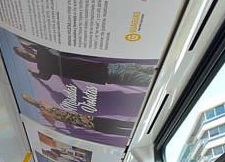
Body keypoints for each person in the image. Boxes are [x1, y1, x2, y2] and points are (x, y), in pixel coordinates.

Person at [13, 43, 154, 87]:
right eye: (23, 54)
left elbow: (43, 76)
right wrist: (32, 71)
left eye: (23, 53)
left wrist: (32, 72)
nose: (26, 55)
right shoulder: (43, 62)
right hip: (104, 70)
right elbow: (43, 76)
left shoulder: (43, 61)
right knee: (144, 74)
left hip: (104, 70)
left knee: (145, 74)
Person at [21, 94, 135, 137]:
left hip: (89, 119)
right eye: (28, 99)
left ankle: (133, 126)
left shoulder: (47, 107)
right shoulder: (45, 111)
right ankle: (131, 131)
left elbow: (55, 117)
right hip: (88, 123)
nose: (30, 99)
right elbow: (53, 122)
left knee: (115, 125)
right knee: (114, 128)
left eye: (28, 98)